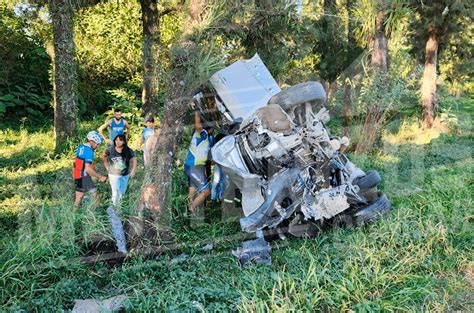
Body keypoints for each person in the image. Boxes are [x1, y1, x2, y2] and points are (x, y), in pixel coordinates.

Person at [184, 103, 214, 213]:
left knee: (192, 191)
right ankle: (190, 210)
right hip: (194, 166)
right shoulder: (201, 134)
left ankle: (189, 215)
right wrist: (196, 110)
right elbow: (197, 125)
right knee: (206, 192)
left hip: (195, 166)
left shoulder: (209, 138)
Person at [101, 134, 137, 206]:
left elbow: (134, 159)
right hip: (113, 174)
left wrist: (133, 170)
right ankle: (114, 208)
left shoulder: (128, 150)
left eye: (120, 140)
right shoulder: (110, 149)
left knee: (122, 192)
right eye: (116, 140)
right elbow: (103, 156)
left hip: (125, 174)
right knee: (115, 192)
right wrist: (107, 166)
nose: (118, 142)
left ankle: (120, 208)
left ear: (123, 142)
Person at [73, 131, 108, 206]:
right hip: (84, 176)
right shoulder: (89, 151)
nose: (97, 146)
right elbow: (88, 169)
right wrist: (100, 177)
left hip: (77, 174)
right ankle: (99, 212)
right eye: (97, 144)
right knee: (95, 196)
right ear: (92, 141)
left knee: (78, 197)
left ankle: (73, 214)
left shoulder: (81, 146)